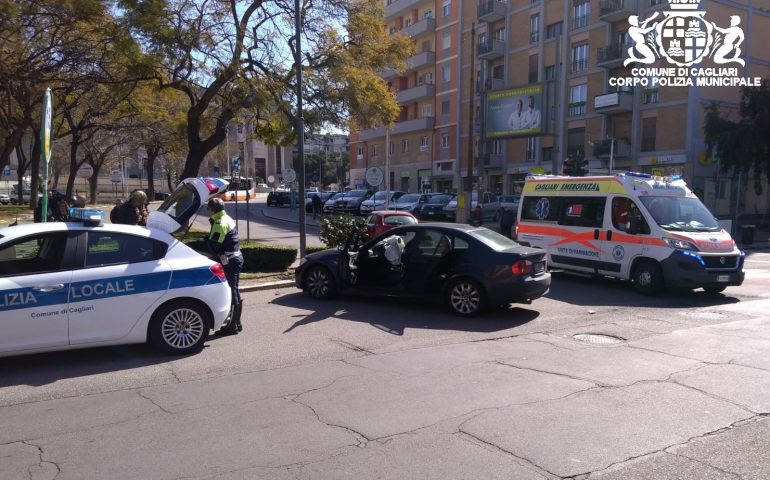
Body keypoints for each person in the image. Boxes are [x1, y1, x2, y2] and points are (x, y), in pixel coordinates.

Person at [195, 197, 243, 335]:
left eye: (208, 209)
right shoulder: (227, 218)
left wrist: (198, 243)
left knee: (232, 290)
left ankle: (232, 326)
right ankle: (237, 323)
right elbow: (219, 239)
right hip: (235, 257)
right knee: (235, 289)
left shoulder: (219, 223)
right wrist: (206, 239)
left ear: (211, 209)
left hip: (230, 259)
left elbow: (214, 246)